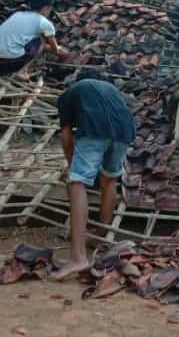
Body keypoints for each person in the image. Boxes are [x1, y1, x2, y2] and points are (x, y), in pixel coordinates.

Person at [50, 71, 135, 280]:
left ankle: (78, 258)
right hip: (125, 130)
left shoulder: (70, 93)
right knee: (109, 179)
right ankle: (101, 235)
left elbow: (66, 138)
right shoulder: (111, 90)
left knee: (76, 183)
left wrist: (73, 168)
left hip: (96, 127)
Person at [0, 0, 64, 79]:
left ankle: (2, 71)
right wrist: (58, 49)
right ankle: (22, 71)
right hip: (11, 61)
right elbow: (55, 50)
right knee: (41, 41)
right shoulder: (44, 23)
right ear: (46, 8)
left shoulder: (17, 14)